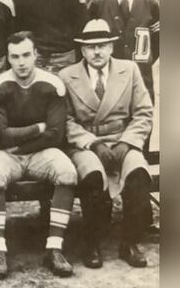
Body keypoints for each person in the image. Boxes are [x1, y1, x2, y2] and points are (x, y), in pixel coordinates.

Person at [59, 19, 153, 269]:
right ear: (82, 50)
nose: (97, 52)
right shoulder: (67, 76)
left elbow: (144, 112)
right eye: (91, 47)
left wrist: (128, 142)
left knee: (139, 176)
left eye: (102, 45)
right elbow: (65, 120)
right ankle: (92, 244)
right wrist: (93, 144)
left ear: (111, 47)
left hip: (122, 139)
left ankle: (129, 243)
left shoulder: (129, 69)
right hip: (87, 143)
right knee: (92, 178)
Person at [0, 31, 77, 278]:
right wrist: (37, 127)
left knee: (67, 171)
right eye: (15, 56)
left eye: (26, 55)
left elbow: (56, 134)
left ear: (36, 54)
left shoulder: (52, 84)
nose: (21, 62)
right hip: (5, 153)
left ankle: (54, 249)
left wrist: (21, 145)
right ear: (8, 58)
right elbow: (0, 135)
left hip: (38, 152)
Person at [88, 0, 159, 99]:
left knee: (141, 120)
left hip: (141, 79)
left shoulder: (151, 3)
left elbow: (158, 43)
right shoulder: (98, 4)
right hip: (108, 79)